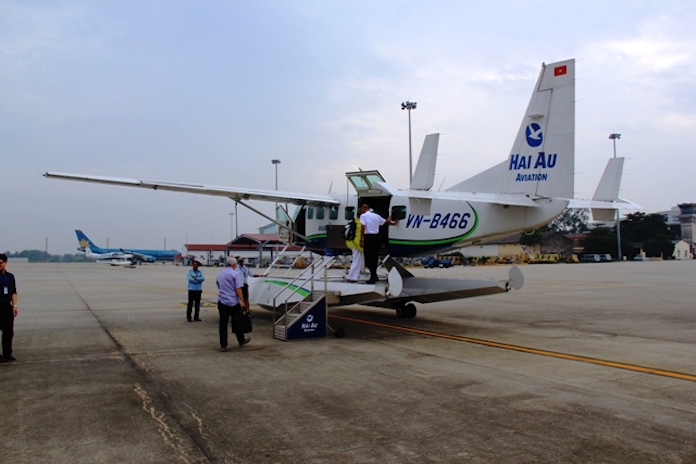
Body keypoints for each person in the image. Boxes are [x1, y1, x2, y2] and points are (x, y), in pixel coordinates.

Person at [216, 257, 250, 351]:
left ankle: (223, 345)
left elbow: (218, 284)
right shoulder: (235, 273)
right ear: (234, 265)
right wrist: (242, 301)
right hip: (233, 302)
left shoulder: (221, 273)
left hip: (222, 301)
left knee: (223, 324)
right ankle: (241, 339)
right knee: (237, 322)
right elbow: (238, 289)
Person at [359, 204, 398, 284]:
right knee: (374, 256)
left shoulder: (363, 216)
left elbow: (363, 227)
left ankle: (373, 276)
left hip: (368, 237)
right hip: (376, 238)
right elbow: (385, 222)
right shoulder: (376, 216)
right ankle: (374, 275)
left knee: (368, 257)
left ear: (364, 209)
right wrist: (393, 223)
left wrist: (361, 239)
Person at [0, 254, 18, 362]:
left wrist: (15, 305)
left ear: (6, 263)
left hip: (7, 306)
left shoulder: (10, 277)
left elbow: (14, 292)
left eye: (1, 263)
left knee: (8, 332)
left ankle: (7, 353)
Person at [345, 213, 364, 282]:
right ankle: (351, 276)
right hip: (357, 244)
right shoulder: (362, 223)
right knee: (357, 260)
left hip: (351, 243)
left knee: (359, 260)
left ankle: (359, 272)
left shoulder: (353, 221)